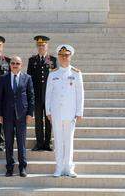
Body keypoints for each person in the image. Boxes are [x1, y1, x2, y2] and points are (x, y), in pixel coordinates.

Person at [45, 44, 84, 178]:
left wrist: (79, 112)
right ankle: (59, 167)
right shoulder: (53, 73)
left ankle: (69, 167)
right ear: (58, 57)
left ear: (70, 56)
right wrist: (48, 111)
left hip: (70, 112)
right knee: (58, 140)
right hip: (56, 112)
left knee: (69, 140)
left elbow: (80, 93)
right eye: (61, 56)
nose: (64, 58)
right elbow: (48, 93)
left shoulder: (76, 73)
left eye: (66, 55)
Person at [0, 56, 34, 177]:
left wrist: (30, 113)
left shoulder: (27, 78)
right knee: (8, 143)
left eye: (17, 63)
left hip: (22, 115)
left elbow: (31, 97)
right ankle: (9, 168)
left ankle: (22, 167)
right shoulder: (3, 78)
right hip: (7, 115)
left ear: (21, 65)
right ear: (9, 64)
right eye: (12, 63)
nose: (15, 65)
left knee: (21, 143)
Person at [27, 35, 56, 151]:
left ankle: (48, 143)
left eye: (43, 45)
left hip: (49, 95)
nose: (41, 47)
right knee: (38, 120)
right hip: (37, 95)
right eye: (39, 45)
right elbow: (29, 79)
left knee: (49, 120)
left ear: (47, 46)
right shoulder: (32, 60)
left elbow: (56, 78)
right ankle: (39, 143)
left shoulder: (52, 60)